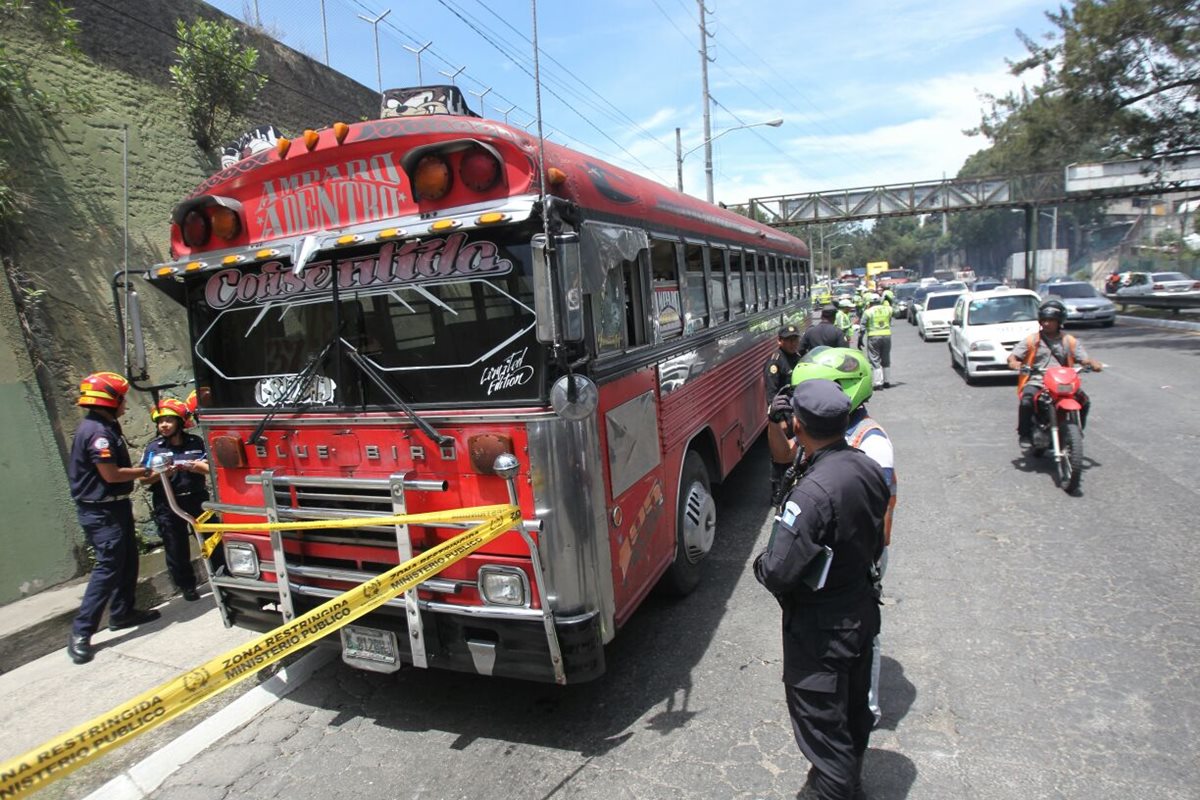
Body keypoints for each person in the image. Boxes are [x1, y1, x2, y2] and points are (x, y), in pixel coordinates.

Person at [754, 380, 890, 800]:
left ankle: (835, 788)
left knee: (825, 736)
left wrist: (760, 563)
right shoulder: (866, 466)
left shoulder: (812, 494)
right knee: (850, 717)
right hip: (860, 612)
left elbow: (777, 571)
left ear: (798, 424)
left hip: (821, 634)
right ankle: (849, 785)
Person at [67, 372, 161, 664]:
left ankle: (122, 613)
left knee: (128, 560)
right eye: (122, 399)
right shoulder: (97, 434)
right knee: (108, 568)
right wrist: (146, 471)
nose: (125, 404)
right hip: (101, 511)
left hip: (115, 507)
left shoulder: (107, 426)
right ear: (111, 401)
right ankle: (81, 632)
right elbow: (110, 474)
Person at [1006, 299, 1103, 448]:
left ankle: (1076, 431)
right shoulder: (1032, 340)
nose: (1047, 323)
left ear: (1059, 322)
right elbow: (1013, 357)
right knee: (1027, 401)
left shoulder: (1069, 341)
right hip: (1038, 380)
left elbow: (1083, 359)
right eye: (1044, 320)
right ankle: (1024, 433)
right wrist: (1015, 363)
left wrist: (1093, 364)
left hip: (1063, 382)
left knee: (1084, 401)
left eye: (1051, 320)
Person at [139, 398, 210, 601]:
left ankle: (222, 574)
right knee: (175, 547)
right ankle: (187, 586)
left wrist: (197, 467)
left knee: (212, 539)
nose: (163, 425)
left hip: (197, 498)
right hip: (168, 502)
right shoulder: (154, 448)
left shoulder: (196, 442)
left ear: (180, 422)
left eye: (168, 420)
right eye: (160, 422)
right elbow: (144, 479)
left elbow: (211, 469)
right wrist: (162, 473)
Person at [765, 324, 803, 502]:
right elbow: (772, 394)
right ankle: (777, 492)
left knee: (796, 451)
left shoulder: (798, 358)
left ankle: (793, 488)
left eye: (795, 339)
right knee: (780, 455)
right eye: (789, 340)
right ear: (780, 341)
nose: (793, 343)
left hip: (796, 413)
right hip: (783, 416)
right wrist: (778, 420)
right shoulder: (775, 362)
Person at [860, 293, 894, 388]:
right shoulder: (888, 309)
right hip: (887, 336)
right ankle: (887, 382)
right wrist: (889, 300)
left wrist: (860, 339)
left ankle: (878, 383)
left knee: (875, 359)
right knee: (886, 358)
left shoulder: (868, 312)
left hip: (873, 337)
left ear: (870, 302)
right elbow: (895, 312)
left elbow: (862, 327)